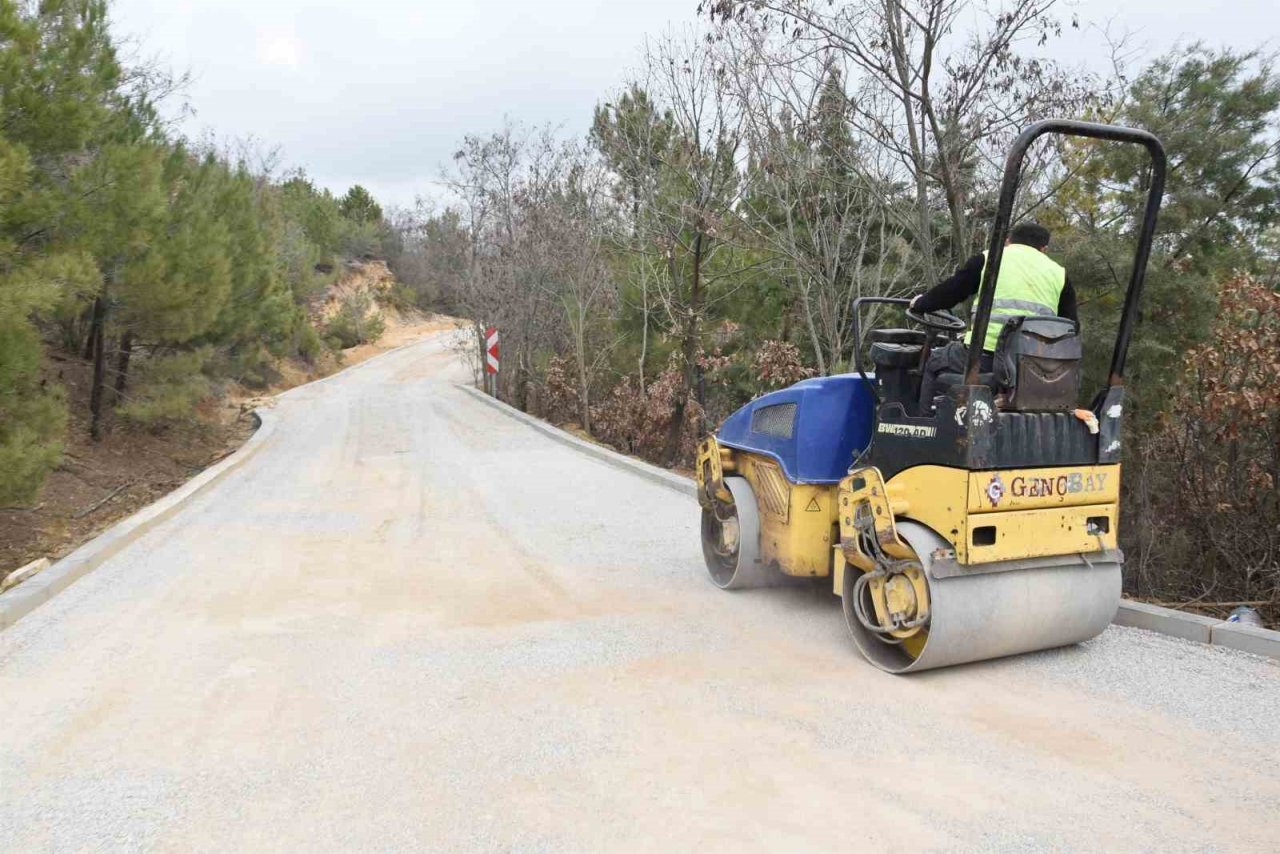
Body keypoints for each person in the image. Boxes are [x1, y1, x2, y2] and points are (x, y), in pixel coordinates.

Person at [911, 222, 1077, 408]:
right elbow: (1071, 327)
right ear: (1044, 249)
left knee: (934, 360)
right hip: (1036, 366)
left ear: (1008, 241)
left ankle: (921, 425)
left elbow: (950, 293)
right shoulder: (1059, 274)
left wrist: (920, 303)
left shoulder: (989, 259)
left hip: (985, 357)